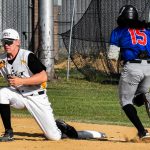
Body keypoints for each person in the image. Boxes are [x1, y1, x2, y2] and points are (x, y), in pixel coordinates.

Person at [0, 28, 107, 142]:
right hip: (18, 96)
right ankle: (9, 132)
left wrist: (21, 81)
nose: (7, 45)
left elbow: (43, 77)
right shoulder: (2, 60)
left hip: (35, 96)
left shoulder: (27, 56)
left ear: (18, 42)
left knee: (54, 137)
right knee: (2, 93)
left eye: (10, 42)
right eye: (4, 42)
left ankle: (62, 126)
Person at [108, 5, 150, 140]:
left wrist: (113, 72)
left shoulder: (118, 31)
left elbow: (112, 56)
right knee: (144, 96)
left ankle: (142, 132)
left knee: (125, 101)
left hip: (132, 66)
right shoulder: (146, 30)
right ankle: (142, 96)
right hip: (149, 66)